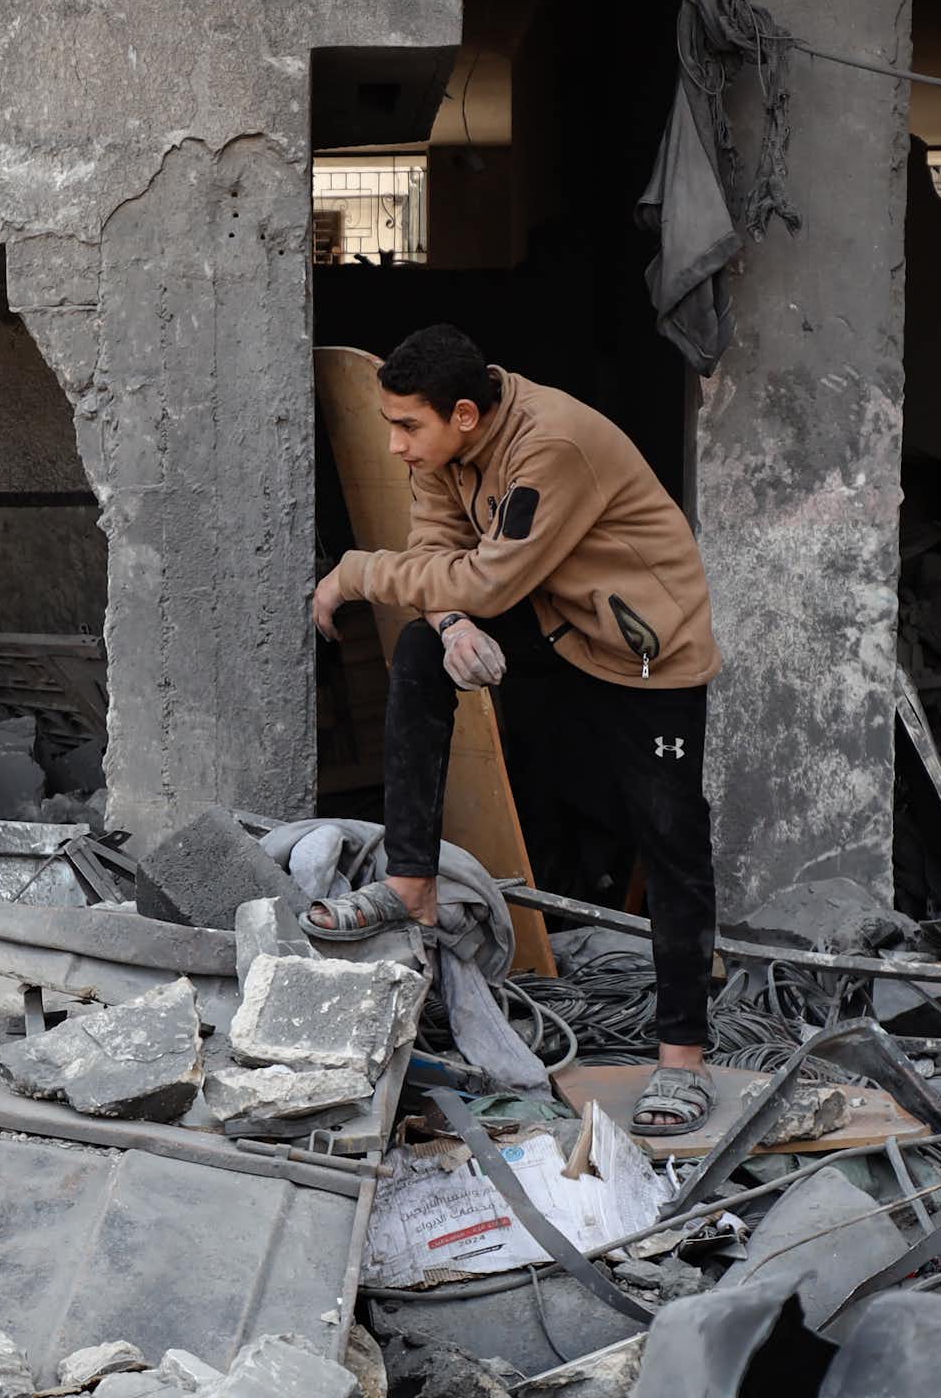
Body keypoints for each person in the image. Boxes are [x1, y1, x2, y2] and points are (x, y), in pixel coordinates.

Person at [306, 323, 723, 1135]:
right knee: (427, 645)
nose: (394, 446)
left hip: (644, 650)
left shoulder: (553, 444)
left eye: (407, 426)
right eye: (388, 425)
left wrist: (358, 571)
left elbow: (494, 576)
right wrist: (453, 620)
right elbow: (439, 555)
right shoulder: (446, 453)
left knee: (671, 835)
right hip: (554, 621)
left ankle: (683, 1058)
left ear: (466, 413)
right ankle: (410, 883)